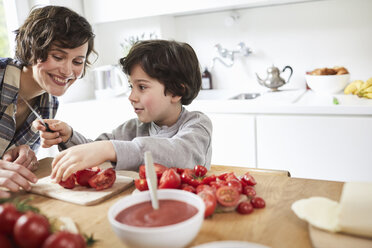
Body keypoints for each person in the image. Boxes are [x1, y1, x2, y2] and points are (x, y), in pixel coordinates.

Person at [36, 39, 212, 183]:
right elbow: (94, 151)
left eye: (142, 87)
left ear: (176, 91)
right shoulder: (133, 128)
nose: (131, 96)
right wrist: (69, 136)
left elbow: (180, 155)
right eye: (131, 86)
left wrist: (109, 148)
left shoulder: (197, 124)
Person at [0, 5, 96, 198]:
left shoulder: (48, 105)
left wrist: (19, 156)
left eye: (77, 62)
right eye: (58, 57)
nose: (68, 72)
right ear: (32, 50)